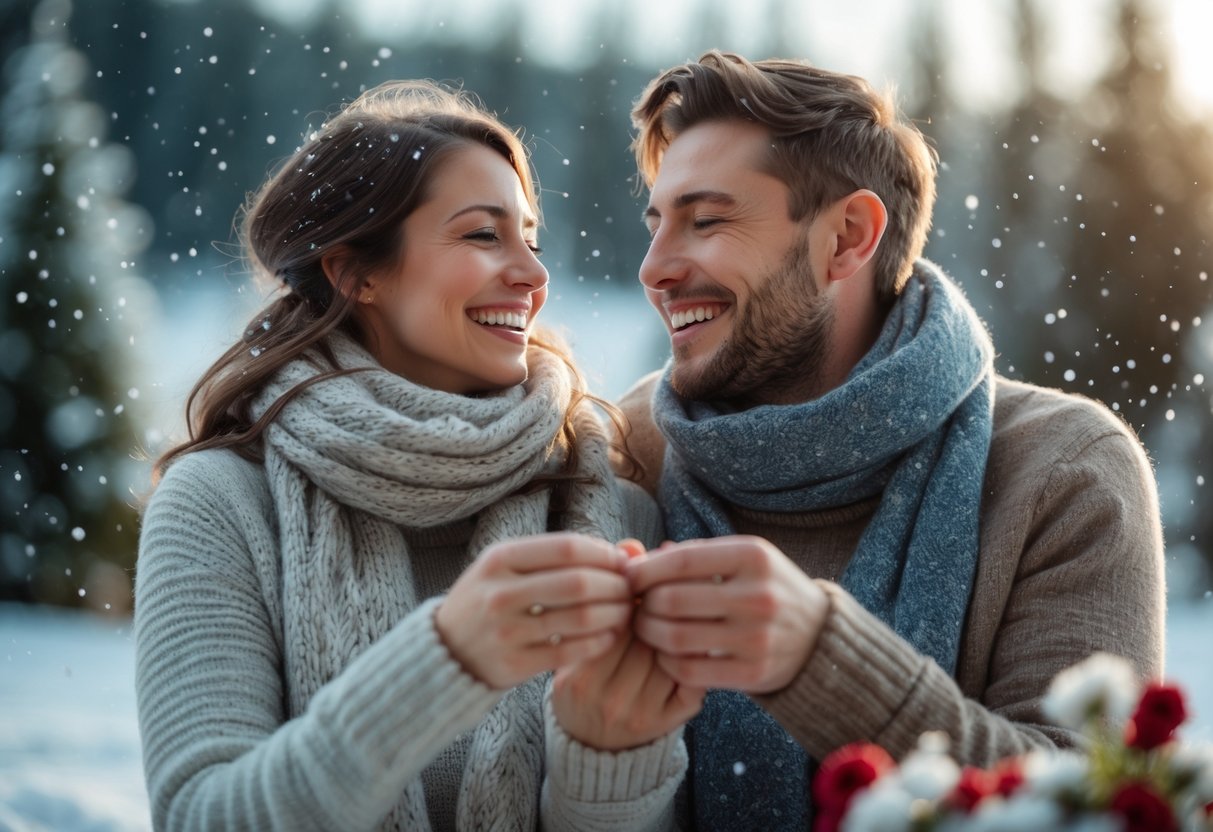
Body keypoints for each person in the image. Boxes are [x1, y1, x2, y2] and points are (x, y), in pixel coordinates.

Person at [614, 50, 1166, 828]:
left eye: (706, 221)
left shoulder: (1060, 468)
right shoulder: (627, 447)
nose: (655, 268)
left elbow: (1094, 808)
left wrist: (821, 661)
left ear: (847, 236)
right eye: (657, 222)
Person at [134, 80, 699, 832]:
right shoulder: (223, 503)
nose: (532, 276)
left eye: (529, 237)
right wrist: (444, 662)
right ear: (354, 272)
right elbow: (204, 818)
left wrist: (609, 755)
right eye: (480, 235)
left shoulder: (606, 506)